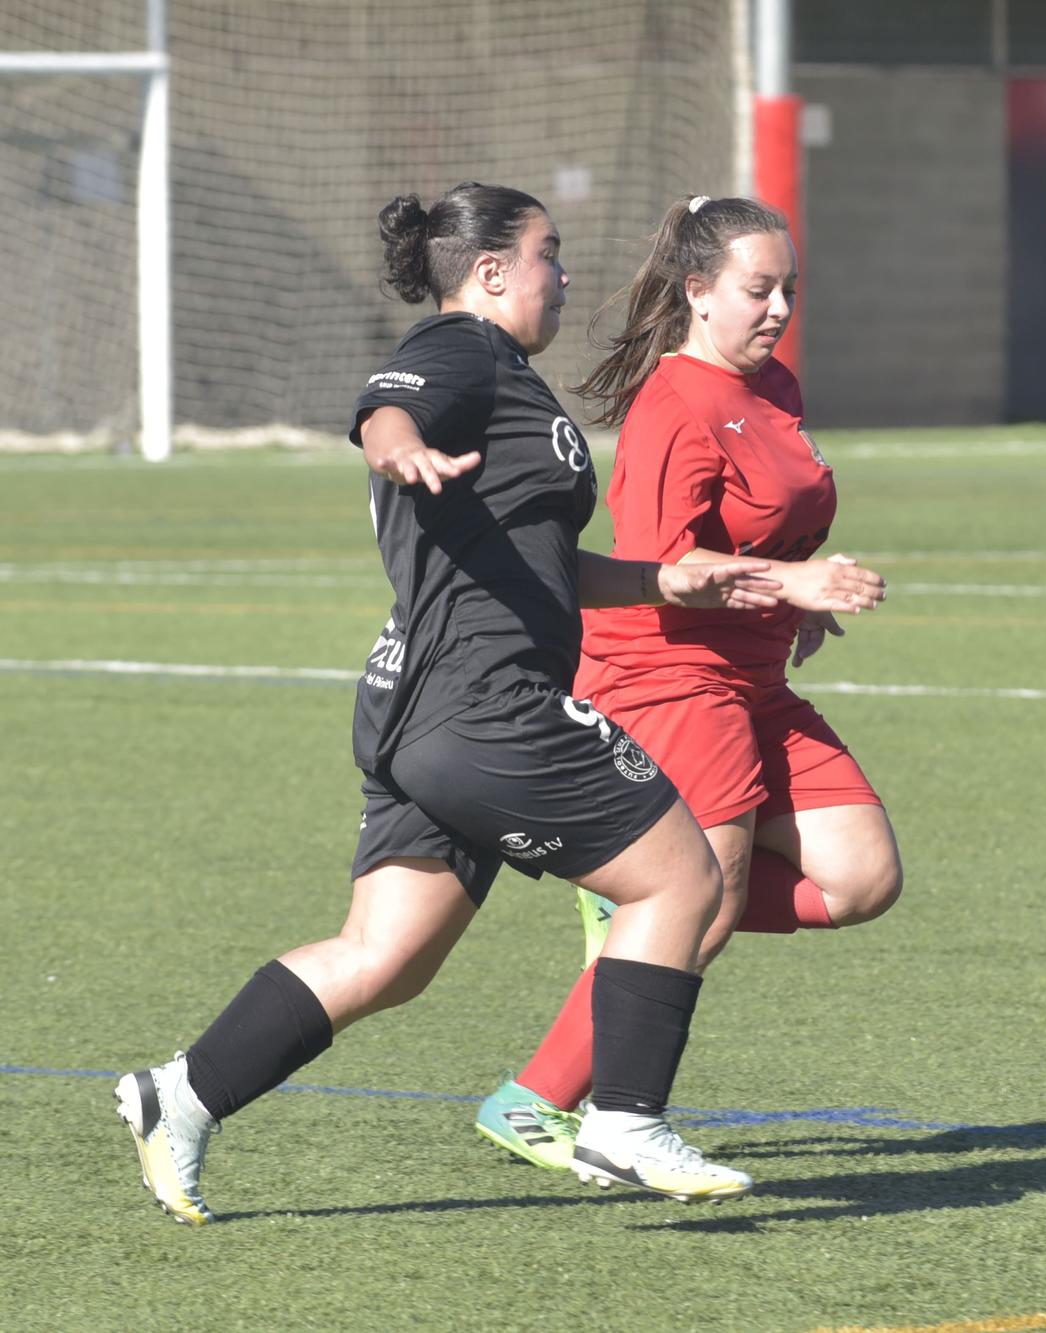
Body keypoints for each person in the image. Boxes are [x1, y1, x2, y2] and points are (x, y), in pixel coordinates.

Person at [112, 182, 785, 1225]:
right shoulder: (462, 348)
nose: (562, 274)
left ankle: (181, 1093)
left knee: (387, 956)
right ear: (490, 271)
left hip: (417, 696)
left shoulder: (503, 377)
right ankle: (624, 1119)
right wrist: (393, 441)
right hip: (487, 697)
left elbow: (542, 557)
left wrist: (665, 581)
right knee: (683, 881)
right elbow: (389, 407)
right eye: (548, 254)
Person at [472, 193, 900, 1171]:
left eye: (790, 288)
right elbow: (666, 571)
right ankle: (531, 1099)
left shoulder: (776, 386)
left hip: (751, 676)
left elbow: (767, 524)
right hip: (666, 675)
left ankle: (639, 901)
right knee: (702, 904)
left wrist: (799, 596)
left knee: (863, 877)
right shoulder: (673, 404)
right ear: (699, 293)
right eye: (760, 289)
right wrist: (785, 582)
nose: (780, 307)